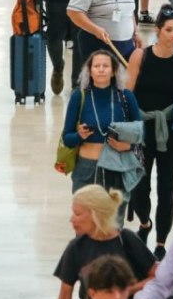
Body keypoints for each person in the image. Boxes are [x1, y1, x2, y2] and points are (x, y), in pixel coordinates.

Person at [125, 6, 173, 258]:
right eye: (169, 30)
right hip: (143, 129)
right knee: (139, 185)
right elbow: (128, 94)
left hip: (171, 130)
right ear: (157, 30)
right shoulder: (140, 57)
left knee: (167, 187)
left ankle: (161, 242)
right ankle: (145, 221)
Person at [53, 185, 157, 299]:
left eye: (77, 214)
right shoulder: (75, 248)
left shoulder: (126, 240)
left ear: (96, 215)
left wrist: (128, 290)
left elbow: (158, 277)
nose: (72, 219)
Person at [61, 50, 143, 194]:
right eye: (96, 66)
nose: (100, 69)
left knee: (115, 216)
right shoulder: (78, 97)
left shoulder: (126, 96)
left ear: (113, 72)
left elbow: (140, 134)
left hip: (117, 168)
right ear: (90, 72)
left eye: (105, 66)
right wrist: (79, 136)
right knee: (86, 216)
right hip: (86, 169)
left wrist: (128, 146)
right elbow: (67, 139)